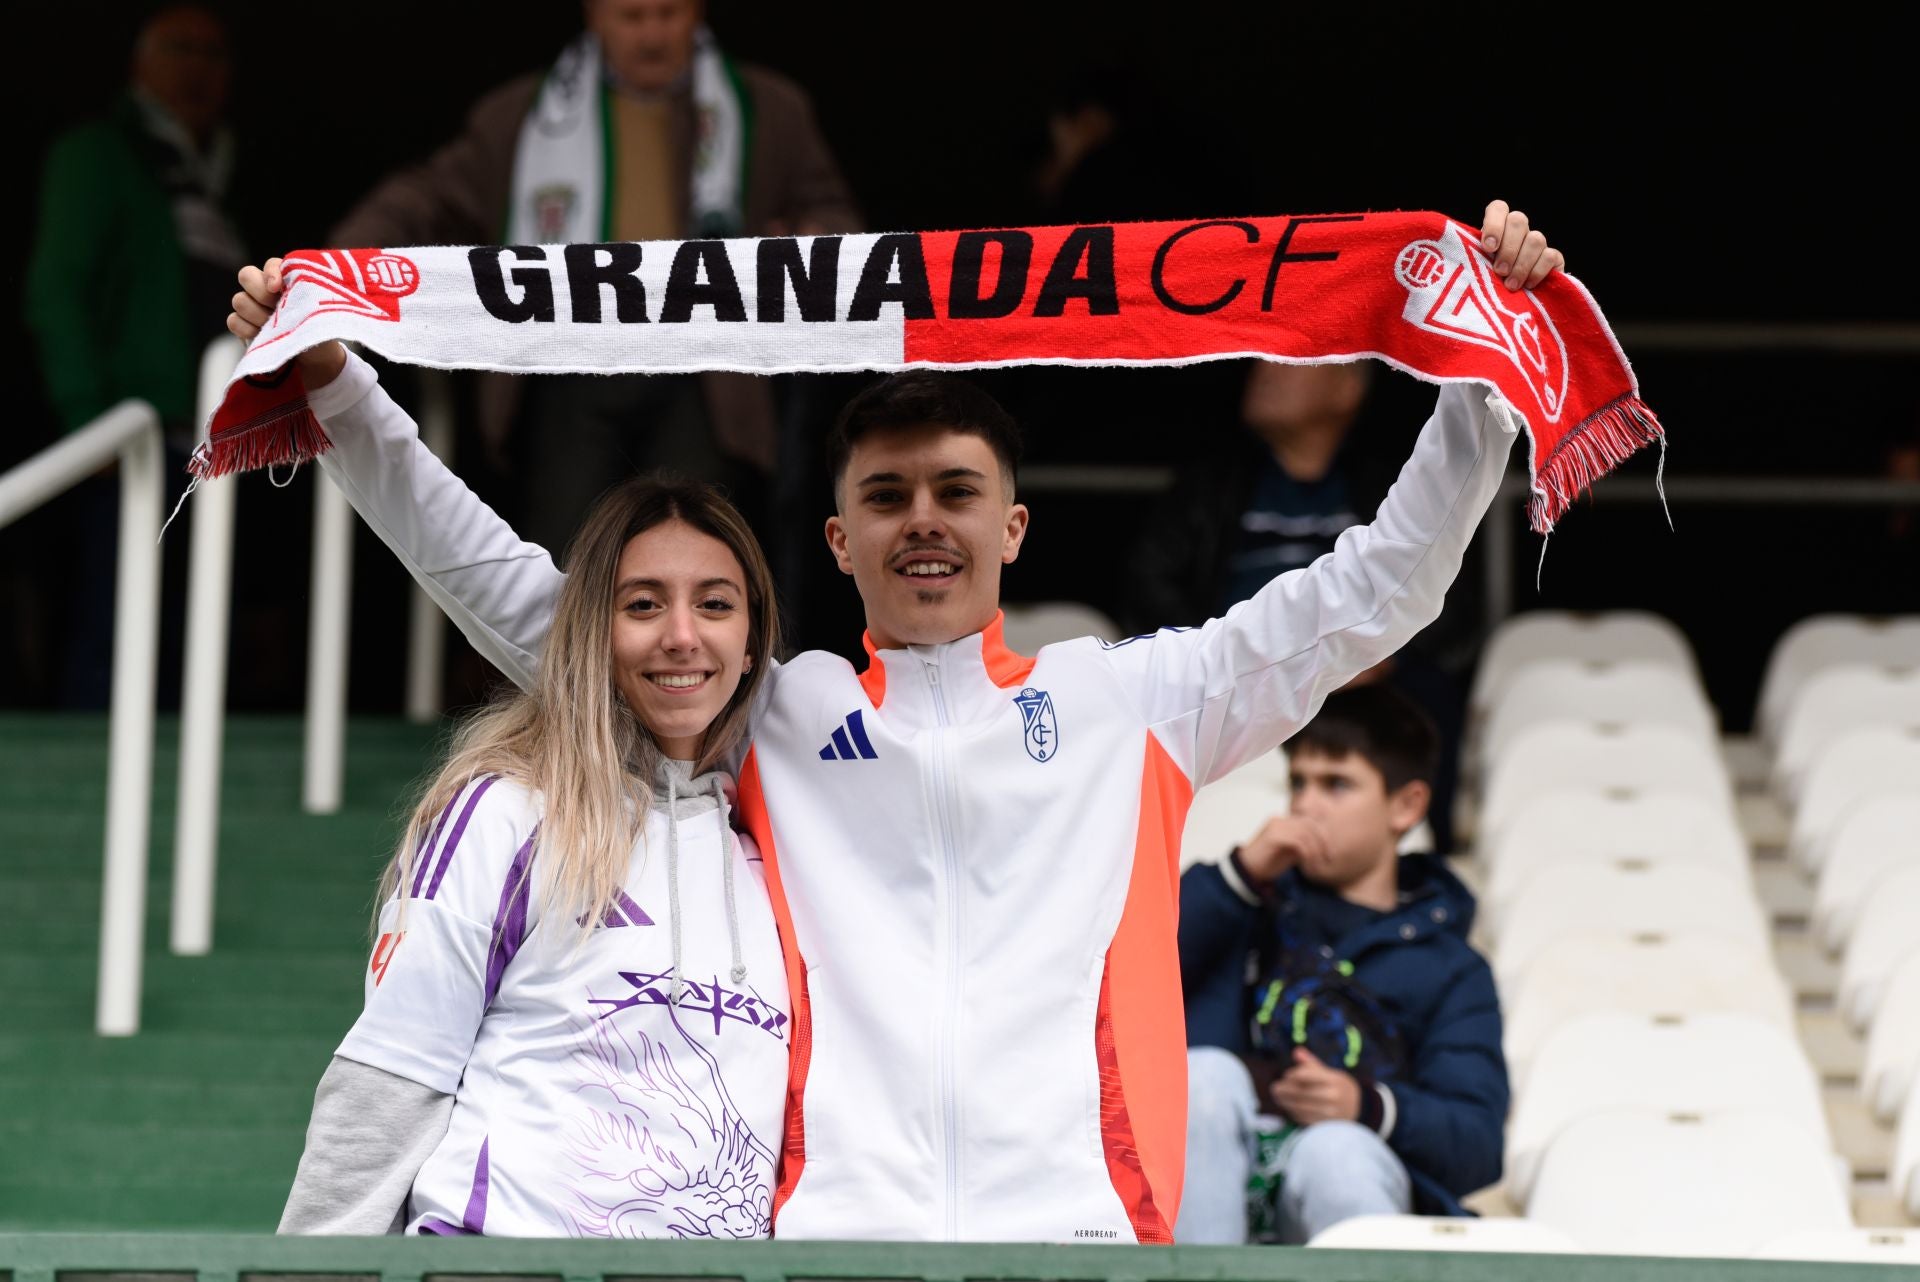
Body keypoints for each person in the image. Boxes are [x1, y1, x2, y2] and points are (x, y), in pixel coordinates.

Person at [230, 200, 1561, 1241]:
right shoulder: (780, 711)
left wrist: (1480, 375)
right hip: (828, 1237)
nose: (924, 517)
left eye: (956, 490)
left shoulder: (1134, 701)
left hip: (1082, 1229)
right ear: (841, 539)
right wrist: (347, 398)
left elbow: (1382, 586)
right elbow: (535, 606)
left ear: (1012, 526)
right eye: (888, 495)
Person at [276, 477, 791, 1237]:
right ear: (592, 630)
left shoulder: (770, 863)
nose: (682, 635)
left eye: (714, 604)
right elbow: (393, 1076)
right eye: (643, 604)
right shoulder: (509, 811)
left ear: (752, 645)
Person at [327, 0, 860, 554]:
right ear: (594, 17)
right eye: (632, 17)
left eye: (668, 14)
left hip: (704, 370)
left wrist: (809, 235)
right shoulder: (523, 115)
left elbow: (837, 219)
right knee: (568, 554)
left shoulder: (766, 110)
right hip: (570, 364)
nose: (652, 34)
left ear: (698, 13)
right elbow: (425, 198)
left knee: (691, 546)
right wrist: (337, 262)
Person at [1176, 685, 1507, 1245]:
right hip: (1210, 1174)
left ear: (1406, 806)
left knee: (1338, 1151)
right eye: (1298, 782)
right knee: (1203, 1077)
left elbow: (1476, 1143)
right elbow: (1127, 977)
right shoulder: (1241, 905)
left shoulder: (1454, 968)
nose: (1306, 804)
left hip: (1344, 1174)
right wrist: (1239, 878)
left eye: (1336, 784)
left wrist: (1366, 1106)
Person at [1125, 359, 1477, 851]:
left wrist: (1379, 658)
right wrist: (1225, 656)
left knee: (1431, 693)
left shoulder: (1386, 484)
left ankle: (1422, 856)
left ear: (1346, 390)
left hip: (1361, 678)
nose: (1263, 372)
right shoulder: (1213, 483)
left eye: (1288, 361)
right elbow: (1149, 582)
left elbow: (1452, 600)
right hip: (1231, 678)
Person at [24, 3, 246, 706]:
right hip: (126, 441)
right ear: (138, 66)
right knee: (110, 638)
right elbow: (55, 292)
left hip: (210, 442)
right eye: (179, 48)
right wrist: (90, 416)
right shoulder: (97, 155)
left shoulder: (215, 171)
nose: (197, 68)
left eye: (213, 54)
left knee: (189, 642)